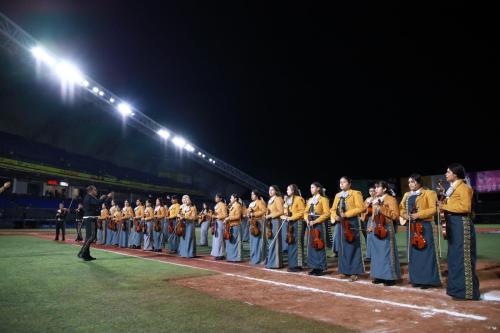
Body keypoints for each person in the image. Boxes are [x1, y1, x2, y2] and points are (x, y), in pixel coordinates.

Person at [439, 163, 480, 300]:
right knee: (454, 257)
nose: (446, 174)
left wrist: (444, 206)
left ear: (455, 174)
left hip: (461, 224)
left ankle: (468, 292)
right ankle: (457, 290)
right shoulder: (452, 189)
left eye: (448, 171)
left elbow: (465, 207)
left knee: (463, 257)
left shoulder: (464, 188)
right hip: (453, 224)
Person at [399, 173, 441, 289]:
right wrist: (404, 215)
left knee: (426, 253)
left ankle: (428, 280)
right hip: (411, 227)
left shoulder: (429, 193)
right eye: (409, 182)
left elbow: (434, 208)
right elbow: (401, 208)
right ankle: (416, 279)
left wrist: (418, 215)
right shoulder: (407, 195)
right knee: (414, 253)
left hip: (425, 226)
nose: (410, 184)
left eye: (412, 181)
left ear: (418, 182)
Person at [331, 176, 365, 281]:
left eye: (344, 182)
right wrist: (335, 216)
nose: (341, 184)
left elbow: (361, 208)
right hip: (341, 223)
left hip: (351, 222)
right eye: (340, 182)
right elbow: (332, 209)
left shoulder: (356, 193)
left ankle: (354, 272)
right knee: (342, 247)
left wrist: (346, 214)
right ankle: (345, 270)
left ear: (349, 184)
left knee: (353, 246)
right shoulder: (338, 195)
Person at [369, 181, 401, 286]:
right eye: (375, 187)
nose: (376, 189)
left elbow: (396, 215)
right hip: (376, 227)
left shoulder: (391, 199)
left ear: (384, 189)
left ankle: (390, 277)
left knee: (387, 252)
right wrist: (370, 226)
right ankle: (379, 276)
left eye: (378, 187)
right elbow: (374, 216)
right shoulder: (374, 200)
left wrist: (381, 208)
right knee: (377, 253)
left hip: (386, 227)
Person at [78, 185, 112, 261]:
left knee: (88, 237)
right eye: (95, 190)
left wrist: (102, 198)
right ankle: (82, 252)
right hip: (90, 218)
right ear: (91, 191)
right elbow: (98, 203)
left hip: (90, 218)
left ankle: (86, 255)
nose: (96, 191)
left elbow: (97, 203)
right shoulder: (89, 197)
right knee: (92, 236)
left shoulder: (89, 197)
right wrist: (106, 196)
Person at [304, 182, 330, 276]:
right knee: (311, 245)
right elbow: (305, 212)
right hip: (310, 223)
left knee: (319, 245)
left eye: (312, 187)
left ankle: (321, 267)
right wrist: (306, 218)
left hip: (319, 223)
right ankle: (314, 267)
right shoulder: (310, 200)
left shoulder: (324, 199)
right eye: (310, 187)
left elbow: (327, 213)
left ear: (318, 189)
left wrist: (315, 221)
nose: (311, 189)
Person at [283, 184, 306, 272]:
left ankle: (298, 265)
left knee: (297, 243)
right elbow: (285, 210)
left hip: (298, 223)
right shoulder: (288, 200)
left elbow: (302, 212)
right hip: (290, 223)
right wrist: (286, 213)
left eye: (288, 189)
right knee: (291, 242)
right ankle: (292, 264)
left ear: (293, 191)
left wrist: (291, 217)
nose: (287, 191)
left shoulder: (298, 199)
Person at [265, 185, 285, 269]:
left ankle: (276, 263)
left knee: (275, 242)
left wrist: (270, 216)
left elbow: (281, 211)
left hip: (276, 221)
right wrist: (267, 214)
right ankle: (271, 261)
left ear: (276, 191)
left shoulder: (278, 199)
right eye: (269, 190)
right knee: (270, 242)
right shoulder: (270, 200)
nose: (270, 191)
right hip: (270, 222)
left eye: (272, 190)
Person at [247, 189, 268, 265]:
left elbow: (264, 211)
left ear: (256, 195)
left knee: (259, 241)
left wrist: (254, 214)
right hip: (252, 223)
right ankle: (254, 258)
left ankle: (260, 259)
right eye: (251, 194)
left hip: (259, 223)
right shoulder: (251, 203)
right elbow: (248, 212)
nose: (251, 196)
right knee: (253, 241)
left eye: (253, 194)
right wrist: (248, 214)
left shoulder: (260, 202)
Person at [210, 193, 228, 260]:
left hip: (220, 222)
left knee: (220, 238)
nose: (215, 198)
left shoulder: (223, 205)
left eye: (217, 197)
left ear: (220, 198)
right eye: (215, 197)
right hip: (216, 222)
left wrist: (216, 216)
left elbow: (225, 215)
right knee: (216, 239)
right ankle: (217, 253)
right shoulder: (217, 205)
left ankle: (221, 254)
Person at [362, 186, 376, 261]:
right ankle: (369, 255)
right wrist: (366, 206)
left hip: (373, 218)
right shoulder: (367, 199)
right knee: (368, 237)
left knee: (371, 236)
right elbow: (363, 209)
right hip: (366, 219)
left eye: (373, 191)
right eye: (370, 191)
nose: (372, 192)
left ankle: (370, 255)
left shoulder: (377, 199)